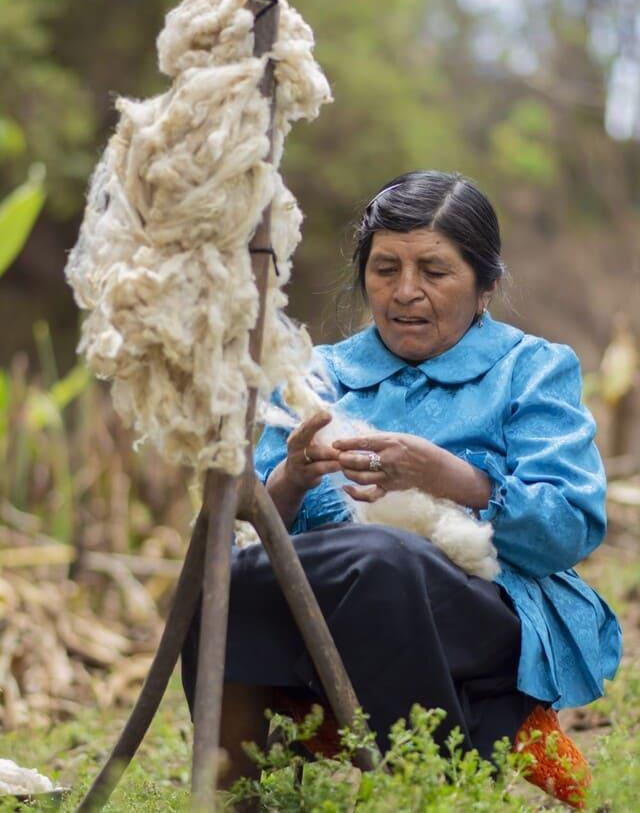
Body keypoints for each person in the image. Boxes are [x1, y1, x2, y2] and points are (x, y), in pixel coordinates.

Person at [181, 170, 622, 792]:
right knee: (219, 585)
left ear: (486, 286)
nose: (405, 291)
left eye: (434, 272)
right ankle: (240, 798)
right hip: (334, 602)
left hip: (491, 607)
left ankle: (433, 793)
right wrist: (293, 478)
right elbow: (245, 530)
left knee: (382, 560)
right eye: (386, 269)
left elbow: (569, 525)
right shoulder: (316, 375)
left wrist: (454, 479)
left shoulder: (532, 368)